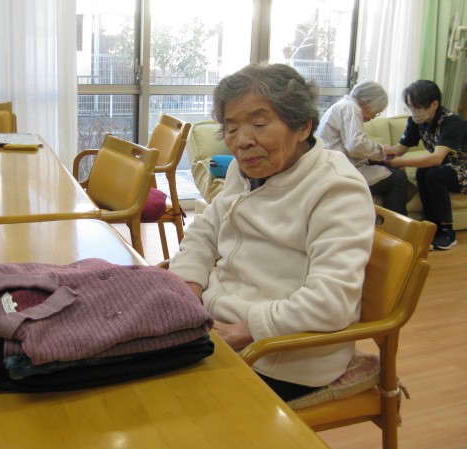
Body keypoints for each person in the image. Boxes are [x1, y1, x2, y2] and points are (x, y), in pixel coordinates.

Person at [168, 63, 375, 402]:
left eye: (260, 125)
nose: (242, 141)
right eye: (231, 128)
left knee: (161, 403)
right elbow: (205, 230)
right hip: (215, 323)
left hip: (281, 354)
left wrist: (245, 330)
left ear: (303, 126)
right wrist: (188, 286)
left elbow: (331, 302)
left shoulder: (336, 189)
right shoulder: (244, 171)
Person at [385, 80, 467, 250]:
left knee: (435, 174)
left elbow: (437, 158)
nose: (413, 112)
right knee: (423, 172)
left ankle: (447, 232)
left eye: (417, 108)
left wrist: (400, 162)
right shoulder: (416, 122)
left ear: (434, 104)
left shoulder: (452, 123)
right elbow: (400, 149)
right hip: (448, 167)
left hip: (463, 168)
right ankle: (432, 226)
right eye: (410, 107)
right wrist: (380, 151)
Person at [316, 81, 410, 215]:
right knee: (398, 178)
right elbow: (356, 146)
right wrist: (382, 151)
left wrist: (381, 154)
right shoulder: (351, 108)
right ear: (368, 103)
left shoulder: (343, 105)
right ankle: (395, 225)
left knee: (392, 167)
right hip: (340, 172)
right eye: (376, 112)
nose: (373, 117)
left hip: (335, 166)